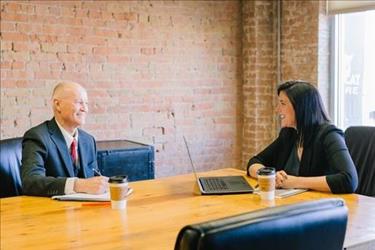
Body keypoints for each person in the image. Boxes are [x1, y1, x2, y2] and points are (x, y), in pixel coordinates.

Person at [247, 80, 358, 194]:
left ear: (301, 107)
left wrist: (294, 182)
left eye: (283, 104)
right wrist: (269, 175)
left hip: (321, 206)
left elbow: (349, 180)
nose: (277, 110)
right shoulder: (289, 133)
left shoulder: (329, 135)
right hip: (294, 203)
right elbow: (255, 161)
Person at [21, 81, 109, 197]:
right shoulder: (37, 136)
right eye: (79, 102)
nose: (85, 109)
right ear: (58, 105)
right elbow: (31, 182)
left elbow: (93, 179)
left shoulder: (88, 140)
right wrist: (78, 185)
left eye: (86, 103)